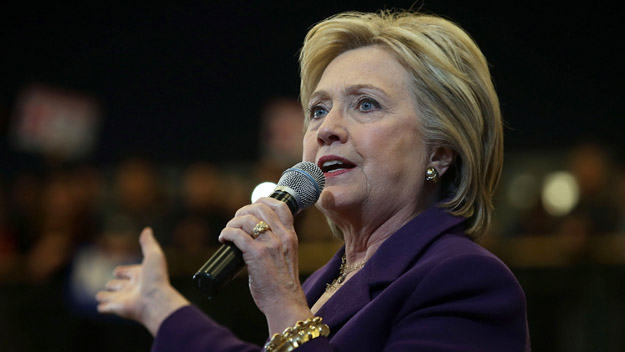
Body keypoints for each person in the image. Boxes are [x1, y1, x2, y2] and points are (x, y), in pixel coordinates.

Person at [96, 10, 530, 351]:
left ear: (440, 151)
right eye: (319, 110)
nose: (327, 129)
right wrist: (162, 307)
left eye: (366, 104)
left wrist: (284, 304)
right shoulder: (326, 280)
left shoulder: (464, 280)